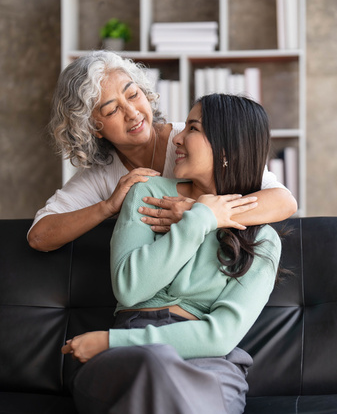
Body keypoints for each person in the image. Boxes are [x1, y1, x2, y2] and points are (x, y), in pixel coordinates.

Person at [61, 94, 283, 414]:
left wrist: (109, 342)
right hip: (134, 351)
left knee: (171, 379)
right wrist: (200, 220)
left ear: (226, 147)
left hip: (208, 363)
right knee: (154, 365)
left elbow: (220, 336)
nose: (176, 137)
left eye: (192, 128)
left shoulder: (263, 240)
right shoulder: (148, 193)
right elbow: (130, 287)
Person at [28, 50, 297, 252]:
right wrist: (107, 206)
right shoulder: (102, 174)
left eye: (133, 95)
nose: (132, 114)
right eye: (112, 110)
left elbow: (284, 201)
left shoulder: (192, 138)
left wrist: (199, 215)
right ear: (93, 128)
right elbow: (39, 236)